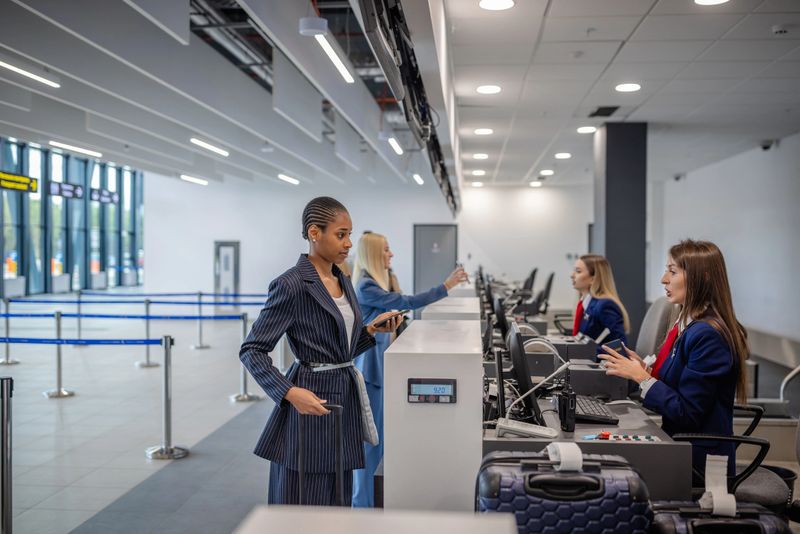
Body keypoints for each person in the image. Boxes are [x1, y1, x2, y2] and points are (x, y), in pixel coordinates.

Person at [239, 197, 401, 506]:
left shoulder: (343, 279)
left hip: (344, 403)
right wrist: (288, 392)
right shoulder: (292, 284)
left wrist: (369, 331)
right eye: (341, 234)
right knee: (305, 502)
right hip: (310, 404)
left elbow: (339, 350)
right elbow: (252, 350)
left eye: (349, 234)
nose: (348, 243)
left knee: (337, 503)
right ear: (315, 233)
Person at [599, 239, 747, 480]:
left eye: (673, 271)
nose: (664, 279)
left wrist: (642, 377)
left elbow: (687, 412)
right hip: (678, 445)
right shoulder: (687, 325)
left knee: (610, 474)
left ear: (704, 277)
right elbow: (680, 386)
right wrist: (644, 369)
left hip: (699, 462)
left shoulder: (707, 335)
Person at [350, 231, 469, 507]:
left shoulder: (379, 282)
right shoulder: (367, 286)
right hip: (370, 372)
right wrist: (446, 286)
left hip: (378, 369)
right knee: (370, 446)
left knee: (377, 442)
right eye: (386, 250)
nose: (391, 254)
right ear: (374, 255)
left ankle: (366, 503)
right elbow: (407, 303)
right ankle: (361, 507)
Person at [570, 254, 629, 353]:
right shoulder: (585, 305)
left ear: (593, 278)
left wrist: (584, 352)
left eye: (578, 271)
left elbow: (620, 347)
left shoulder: (605, 306)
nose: (572, 275)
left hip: (597, 364)